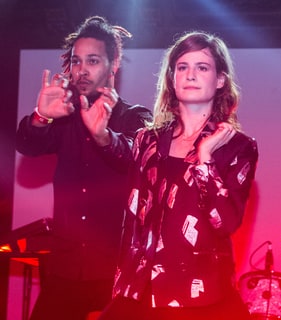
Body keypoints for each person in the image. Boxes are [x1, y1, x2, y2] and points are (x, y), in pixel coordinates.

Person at [98, 31, 258, 320]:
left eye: (202, 67)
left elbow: (226, 222)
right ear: (172, 78)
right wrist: (98, 133)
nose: (191, 75)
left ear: (220, 79)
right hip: (140, 292)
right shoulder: (147, 140)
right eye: (182, 67)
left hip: (200, 298)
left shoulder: (238, 147)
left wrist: (205, 157)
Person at [16, 16, 152, 320]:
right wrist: (41, 115)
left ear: (113, 64)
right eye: (77, 61)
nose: (82, 70)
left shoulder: (134, 116)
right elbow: (28, 146)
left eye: (93, 60)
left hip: (113, 272)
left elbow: (135, 159)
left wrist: (103, 135)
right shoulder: (63, 115)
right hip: (64, 269)